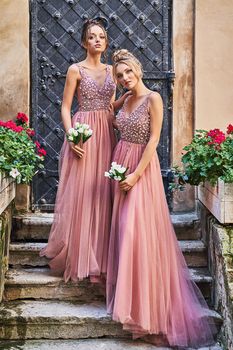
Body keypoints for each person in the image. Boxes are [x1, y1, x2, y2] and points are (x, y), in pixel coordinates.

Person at [106, 49, 215, 348]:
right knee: (123, 232)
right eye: (120, 75)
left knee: (136, 233)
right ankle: (132, 306)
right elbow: (107, 113)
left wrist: (135, 176)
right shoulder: (125, 99)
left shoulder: (154, 98)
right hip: (121, 163)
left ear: (138, 69)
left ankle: (149, 312)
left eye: (128, 72)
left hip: (142, 169)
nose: (125, 78)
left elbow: (154, 140)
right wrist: (113, 88)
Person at [40, 18, 127, 283]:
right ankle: (80, 256)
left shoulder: (114, 71)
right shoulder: (75, 70)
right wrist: (72, 136)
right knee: (83, 194)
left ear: (106, 41)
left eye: (101, 36)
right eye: (92, 37)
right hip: (84, 135)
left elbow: (110, 108)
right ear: (84, 42)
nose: (97, 40)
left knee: (102, 193)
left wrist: (131, 99)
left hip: (106, 133)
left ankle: (99, 256)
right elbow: (66, 107)